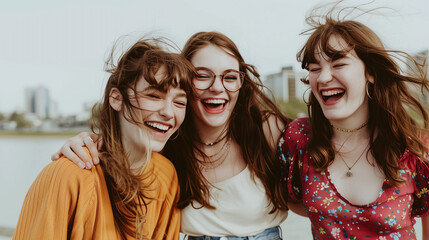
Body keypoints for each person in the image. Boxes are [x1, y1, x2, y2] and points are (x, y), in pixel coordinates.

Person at [52, 32, 291, 239]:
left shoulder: (265, 129)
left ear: (241, 83)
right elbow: (122, 145)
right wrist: (86, 141)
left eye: (229, 77)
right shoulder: (167, 141)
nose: (217, 87)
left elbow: (318, 178)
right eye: (203, 75)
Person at [14, 38, 196, 240]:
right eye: (153, 96)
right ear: (116, 99)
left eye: (180, 102)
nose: (169, 113)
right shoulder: (70, 174)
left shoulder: (166, 176)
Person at [279, 7, 429, 240]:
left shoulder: (416, 150)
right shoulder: (299, 138)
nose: (324, 77)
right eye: (315, 68)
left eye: (338, 64)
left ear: (371, 72)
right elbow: (291, 200)